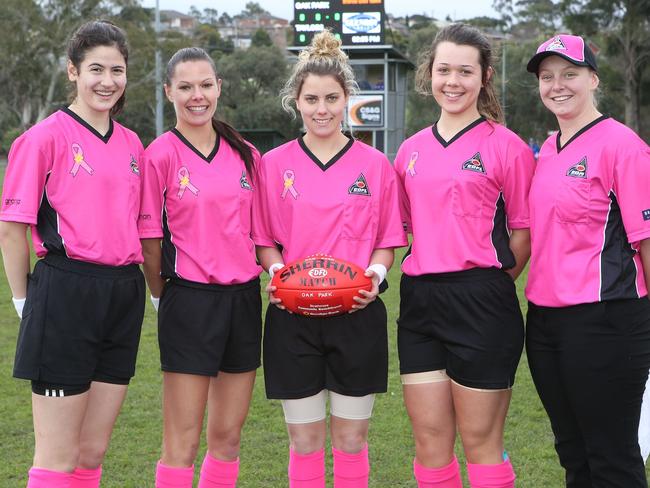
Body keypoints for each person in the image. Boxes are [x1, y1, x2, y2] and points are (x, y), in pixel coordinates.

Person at [252, 30, 407, 487]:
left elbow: (388, 240)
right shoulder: (273, 164)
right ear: (296, 101)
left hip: (357, 314)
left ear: (347, 101)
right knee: (304, 442)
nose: (322, 108)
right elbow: (263, 239)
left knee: (352, 439)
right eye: (312, 98)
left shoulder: (375, 164)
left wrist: (373, 279)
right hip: (292, 316)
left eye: (332, 98)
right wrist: (280, 275)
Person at [0, 20, 145, 488]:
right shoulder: (43, 138)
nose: (107, 81)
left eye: (117, 70)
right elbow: (11, 228)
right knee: (58, 455)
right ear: (72, 71)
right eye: (96, 69)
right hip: (65, 291)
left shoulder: (131, 143)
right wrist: (25, 302)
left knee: (91, 450)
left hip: (123, 292)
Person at [393, 24, 535, 488]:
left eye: (464, 72)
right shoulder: (409, 150)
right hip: (419, 303)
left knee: (479, 442)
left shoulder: (507, 146)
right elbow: (409, 226)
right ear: (429, 75)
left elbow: (523, 232)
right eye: (444, 70)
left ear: (484, 77)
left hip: (483, 301)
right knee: (430, 443)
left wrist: (489, 282)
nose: (452, 81)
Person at [525, 34, 650, 487]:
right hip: (544, 323)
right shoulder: (548, 150)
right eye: (547, 77)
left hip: (606, 320)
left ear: (593, 79)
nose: (558, 85)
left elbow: (646, 239)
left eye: (570, 74)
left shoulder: (623, 145)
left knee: (612, 458)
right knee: (573, 454)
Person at [138, 47, 262, 488]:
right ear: (169, 91)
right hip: (189, 302)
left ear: (219, 87)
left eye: (206, 85)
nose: (197, 96)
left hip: (244, 301)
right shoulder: (159, 155)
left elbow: (260, 233)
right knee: (182, 443)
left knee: (227, 438)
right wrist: (160, 294)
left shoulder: (247, 153)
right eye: (186, 87)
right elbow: (150, 241)